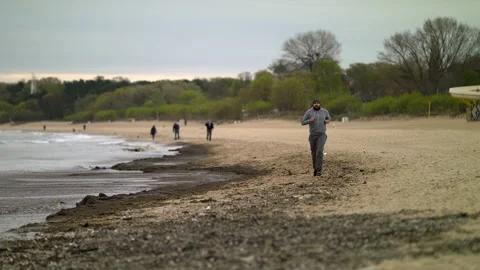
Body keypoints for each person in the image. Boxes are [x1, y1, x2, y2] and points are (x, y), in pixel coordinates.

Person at [301, 99, 331, 176]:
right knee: (314, 152)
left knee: (319, 151)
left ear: (320, 104)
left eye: (317, 103)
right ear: (313, 104)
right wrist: (310, 120)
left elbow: (329, 118)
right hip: (313, 135)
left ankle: (319, 169)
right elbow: (302, 122)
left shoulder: (324, 111)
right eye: (315, 103)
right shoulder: (309, 112)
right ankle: (315, 168)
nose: (316, 104)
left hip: (322, 134)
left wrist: (327, 121)